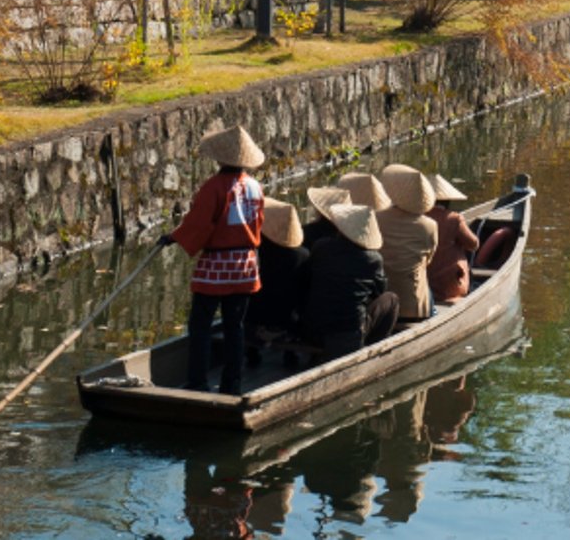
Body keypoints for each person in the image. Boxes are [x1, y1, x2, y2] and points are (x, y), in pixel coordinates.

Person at [158, 125, 265, 394]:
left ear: (220, 158)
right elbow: (258, 224)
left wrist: (173, 237)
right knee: (235, 327)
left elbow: (198, 224)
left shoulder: (213, 187)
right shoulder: (255, 187)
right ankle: (233, 383)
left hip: (216, 265)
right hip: (245, 265)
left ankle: (198, 382)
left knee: (201, 326)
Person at [300, 190, 397, 360]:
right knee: (391, 299)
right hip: (348, 335)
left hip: (311, 329)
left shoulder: (321, 246)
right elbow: (380, 291)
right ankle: (376, 347)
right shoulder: (373, 259)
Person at [247, 198, 309, 368]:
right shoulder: (303, 255)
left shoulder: (256, 254)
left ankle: (251, 352)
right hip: (288, 322)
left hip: (255, 319)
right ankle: (291, 353)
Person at [376, 165, 440, 320]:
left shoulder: (376, 218)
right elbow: (428, 260)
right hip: (414, 308)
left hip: (382, 304)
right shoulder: (429, 225)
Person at [425, 174, 480, 304]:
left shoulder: (418, 217)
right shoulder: (453, 219)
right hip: (449, 287)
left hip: (424, 284)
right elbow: (473, 244)